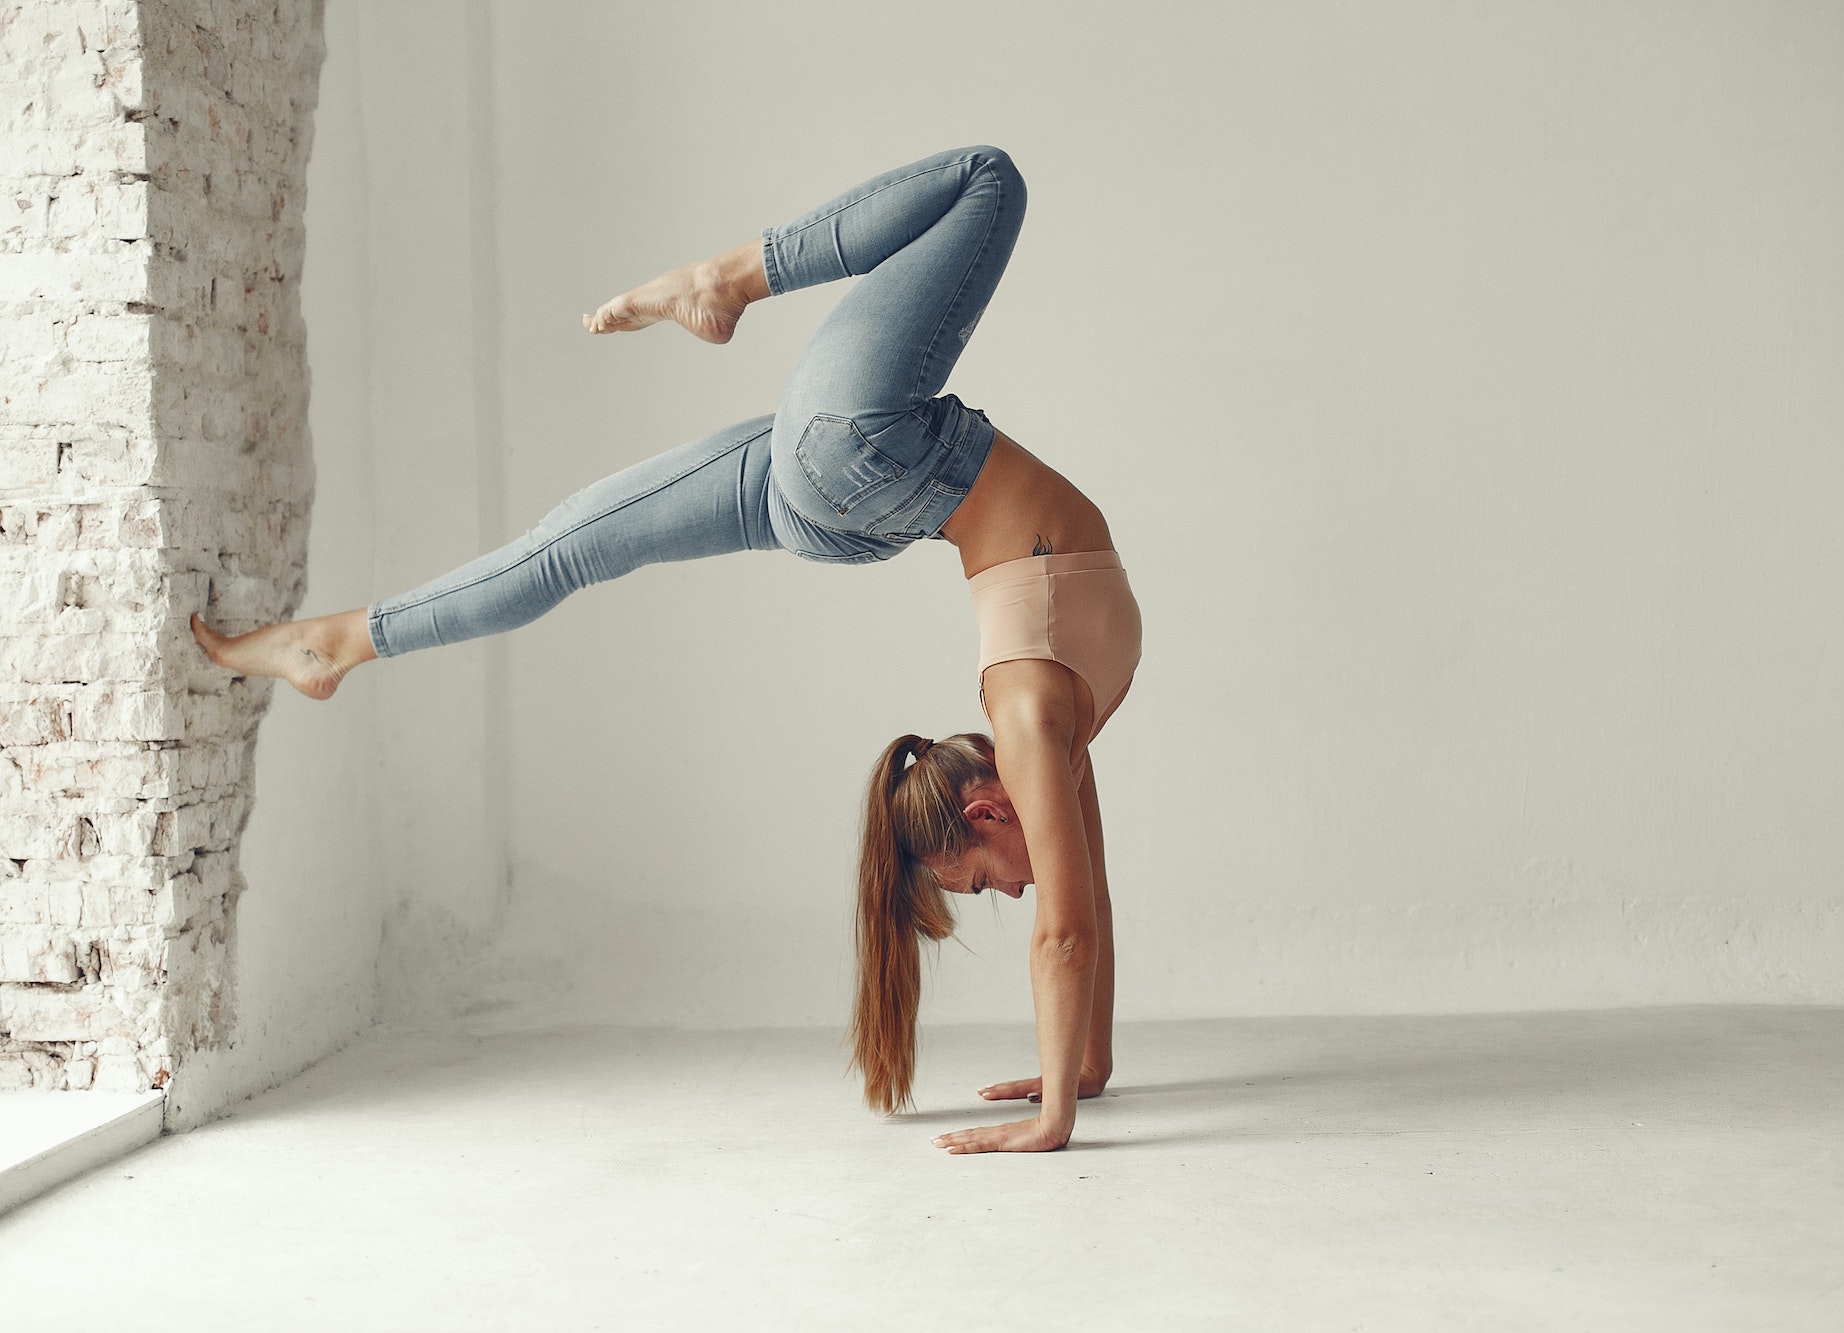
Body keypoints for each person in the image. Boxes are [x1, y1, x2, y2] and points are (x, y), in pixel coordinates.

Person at [191, 147, 1141, 1156]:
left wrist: (1081, 1067)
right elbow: (1071, 929)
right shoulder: (1036, 728)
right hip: (860, 452)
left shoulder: (1040, 730)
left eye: (983, 886)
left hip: (866, 484)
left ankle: (337, 641)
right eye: (984, 881)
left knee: (576, 546)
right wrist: (1058, 1112)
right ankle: (721, 280)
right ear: (986, 807)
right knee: (985, 179)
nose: (1016, 890)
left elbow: (1083, 898)